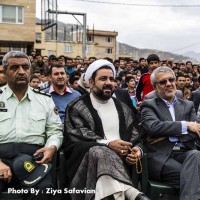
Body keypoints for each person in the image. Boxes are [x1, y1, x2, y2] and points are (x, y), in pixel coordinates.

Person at [63, 59, 150, 200]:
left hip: (123, 165)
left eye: (111, 79)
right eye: (103, 79)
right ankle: (132, 193)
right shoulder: (77, 107)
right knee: (100, 151)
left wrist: (136, 152)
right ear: (91, 82)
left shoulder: (124, 109)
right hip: (88, 167)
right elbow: (77, 136)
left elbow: (137, 138)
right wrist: (108, 144)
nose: (108, 82)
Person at [0, 51, 63, 199]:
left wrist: (51, 147)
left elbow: (55, 130)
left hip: (34, 158)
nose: (21, 72)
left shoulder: (45, 100)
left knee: (43, 190)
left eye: (25, 67)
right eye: (14, 67)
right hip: (0, 157)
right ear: (5, 71)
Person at [141, 66, 200, 200]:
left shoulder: (187, 105)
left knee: (196, 154)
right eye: (162, 82)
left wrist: (166, 134)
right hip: (161, 157)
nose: (168, 84)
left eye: (171, 80)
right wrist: (185, 125)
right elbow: (153, 127)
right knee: (192, 177)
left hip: (185, 153)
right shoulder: (149, 105)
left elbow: (196, 132)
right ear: (155, 87)